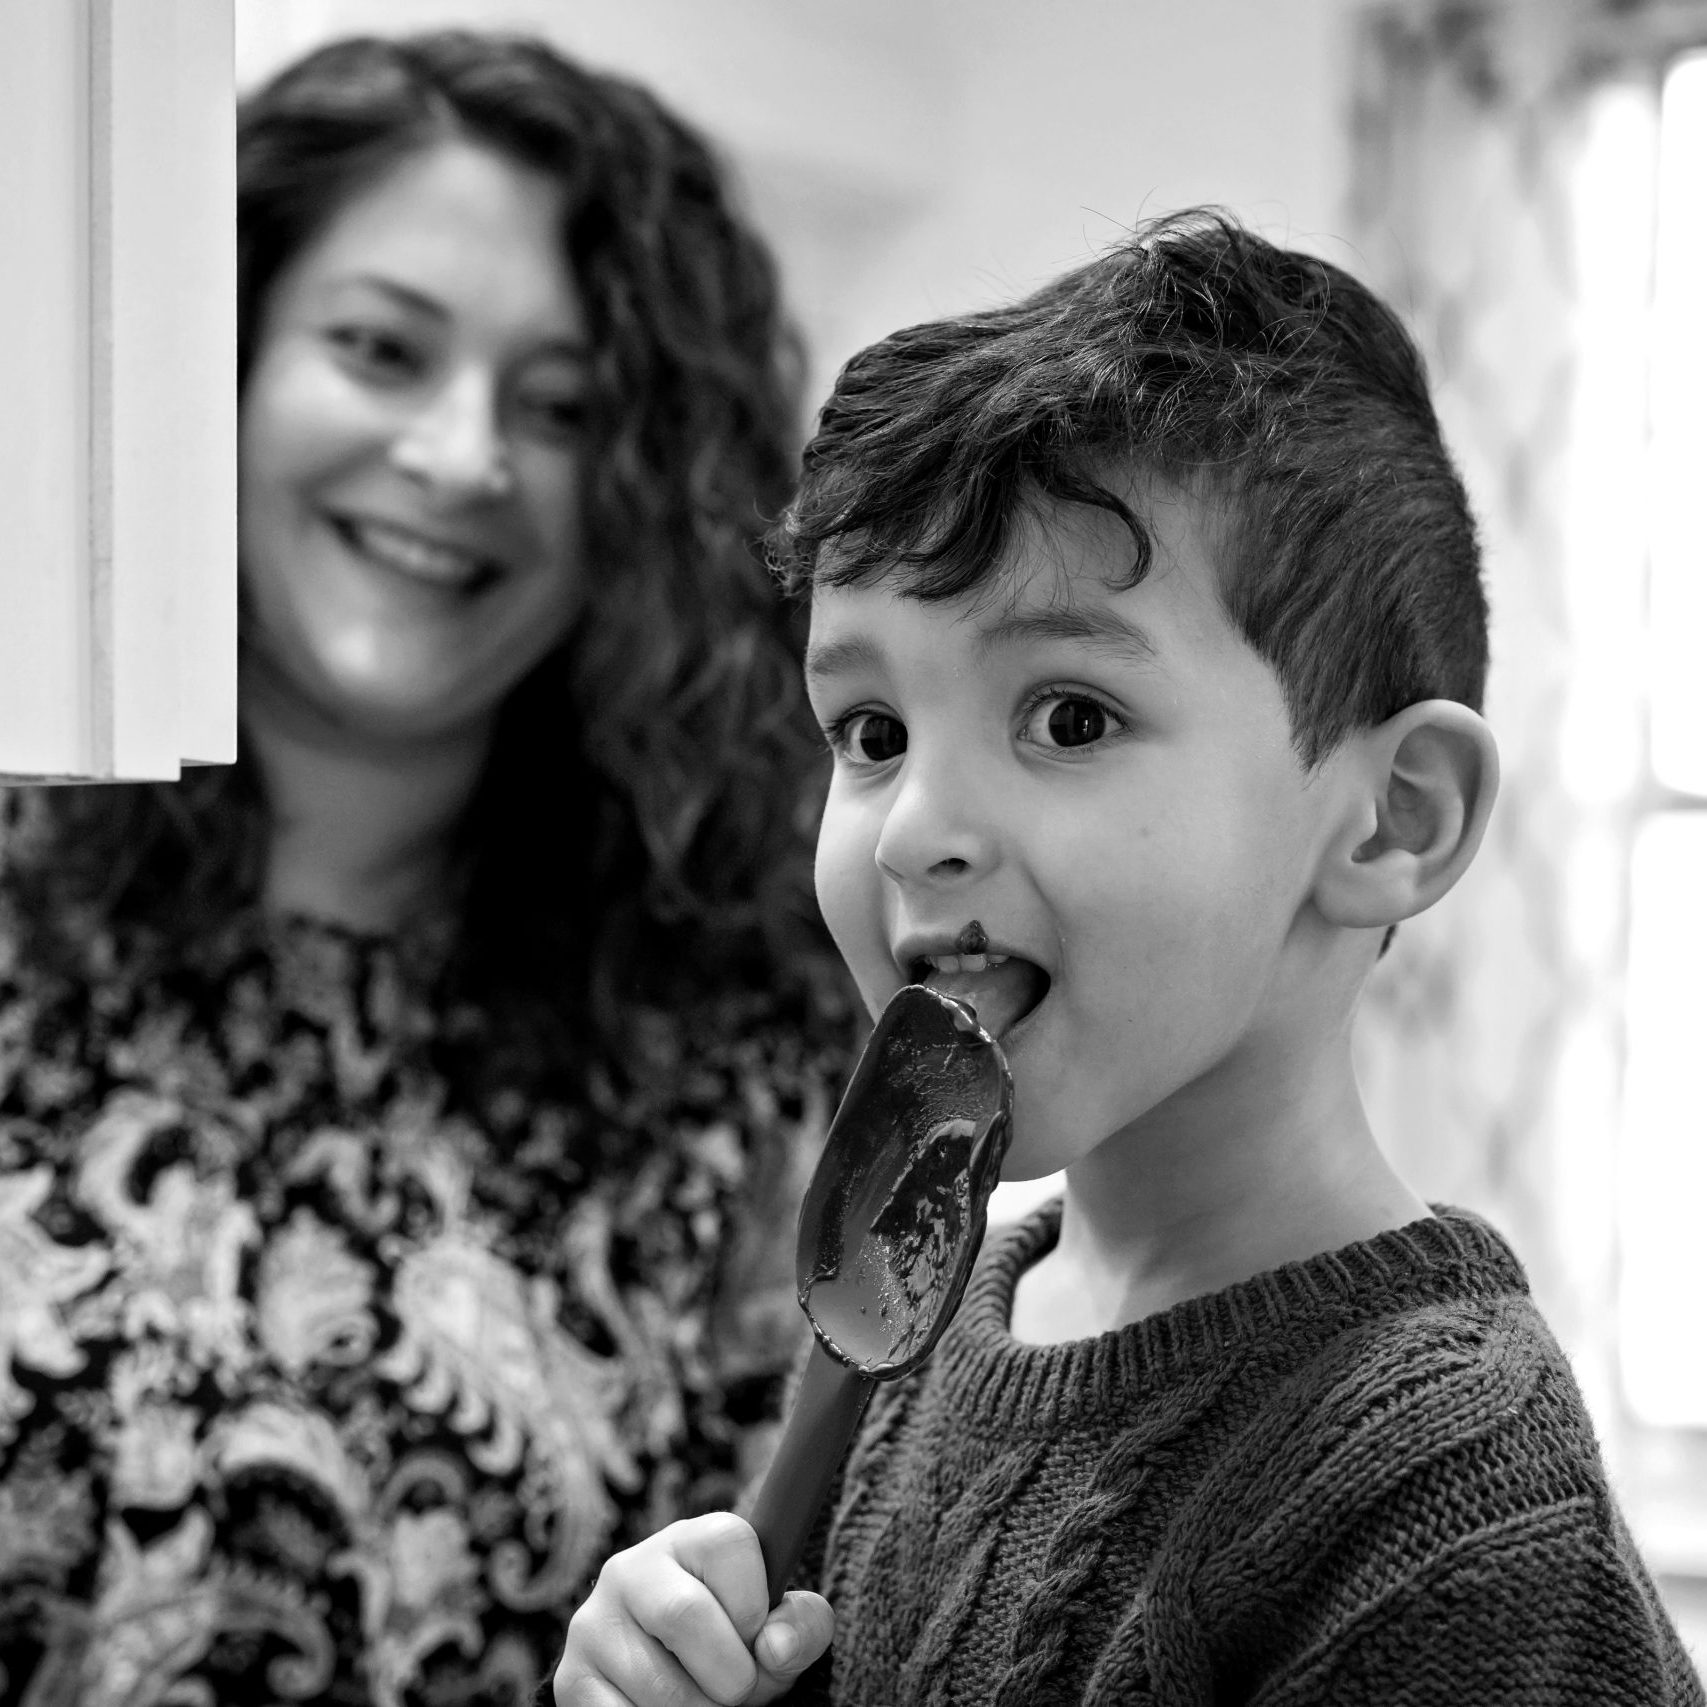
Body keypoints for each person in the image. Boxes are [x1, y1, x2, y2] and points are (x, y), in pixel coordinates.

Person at [551, 210, 1705, 1705]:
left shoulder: (1452, 1504)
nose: (913, 829)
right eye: (874, 734)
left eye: (1071, 718)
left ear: (1389, 822)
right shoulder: (930, 1324)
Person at [0, 30, 850, 1707]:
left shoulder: (750, 1052)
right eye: (382, 349)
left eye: (561, 407)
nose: (464, 458)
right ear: (209, 358)